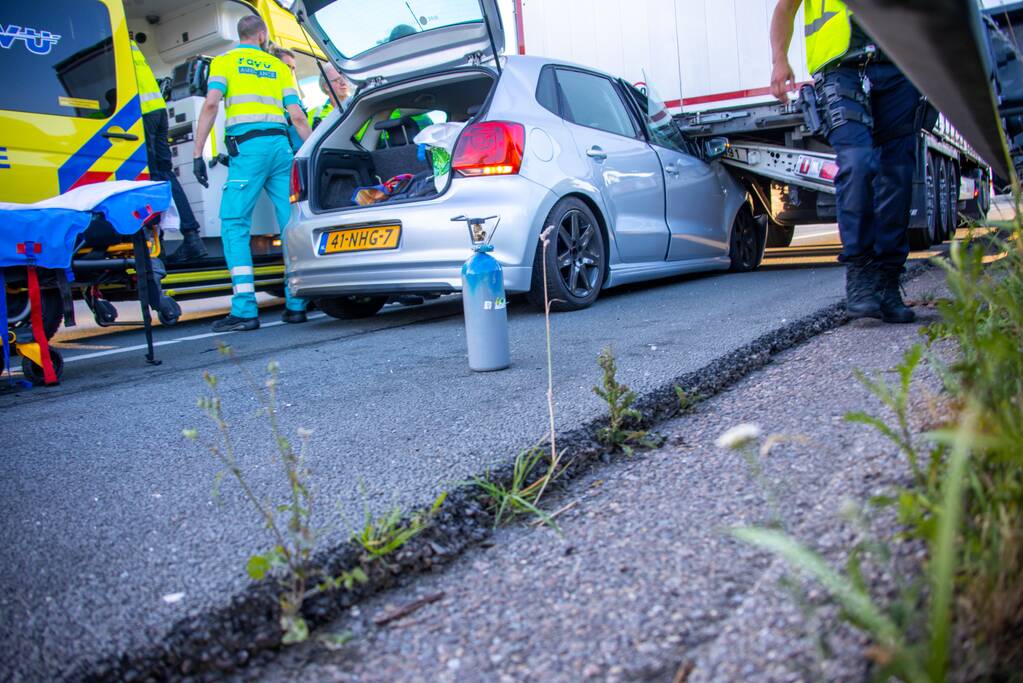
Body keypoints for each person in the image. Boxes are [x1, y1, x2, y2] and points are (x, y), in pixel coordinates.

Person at [770, 0, 917, 324]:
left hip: (897, 68)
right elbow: (785, 8)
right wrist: (780, 60)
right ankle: (860, 272)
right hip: (840, 70)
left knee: (899, 174)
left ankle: (888, 281)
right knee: (857, 162)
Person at [192, 15, 312, 332]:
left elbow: (211, 105)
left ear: (239, 34)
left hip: (248, 149)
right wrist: (311, 152)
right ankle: (297, 304)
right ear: (262, 34)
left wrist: (196, 153)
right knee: (291, 222)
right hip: (281, 147)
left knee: (234, 222)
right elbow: (297, 116)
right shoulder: (279, 67)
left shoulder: (224, 62)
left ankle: (245, 309)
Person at [130, 37, 208, 263]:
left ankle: (157, 246)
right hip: (157, 110)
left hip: (141, 113)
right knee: (164, 175)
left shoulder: (110, 37)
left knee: (150, 178)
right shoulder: (130, 43)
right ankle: (192, 237)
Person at [270, 45, 307, 151]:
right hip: (285, 156)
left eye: (292, 68)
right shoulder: (269, 96)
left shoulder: (294, 98)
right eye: (287, 66)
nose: (290, 72)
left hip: (301, 155)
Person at [310, 64, 351, 130]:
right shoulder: (315, 115)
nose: (343, 83)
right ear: (326, 86)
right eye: (337, 80)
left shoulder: (360, 102)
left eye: (344, 78)